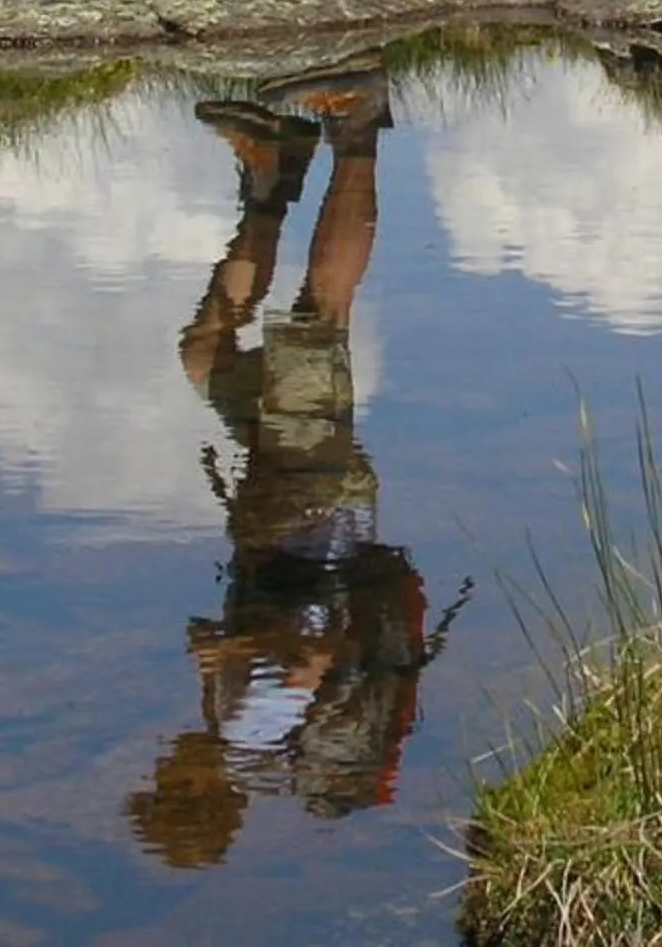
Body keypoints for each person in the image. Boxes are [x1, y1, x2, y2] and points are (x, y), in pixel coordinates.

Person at [125, 62, 464, 867]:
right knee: (321, 316)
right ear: (198, 793)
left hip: (289, 497)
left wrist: (231, 642)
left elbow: (287, 640)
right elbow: (316, 651)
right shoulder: (249, 730)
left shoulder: (239, 736)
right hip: (315, 505)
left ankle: (273, 174)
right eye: (167, 784)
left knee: (206, 353)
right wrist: (234, 649)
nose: (161, 764)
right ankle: (355, 133)